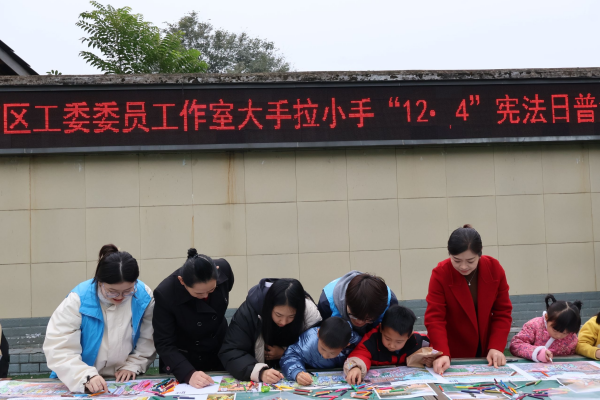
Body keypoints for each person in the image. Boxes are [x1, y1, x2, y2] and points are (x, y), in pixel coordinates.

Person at [43, 245, 155, 393]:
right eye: (112, 292)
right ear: (99, 282)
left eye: (128, 291)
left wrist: (133, 364)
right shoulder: (78, 300)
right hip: (79, 380)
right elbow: (59, 347)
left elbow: (148, 338)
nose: (120, 297)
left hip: (123, 379)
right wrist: (85, 376)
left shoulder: (143, 295)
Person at [424, 224, 512, 375]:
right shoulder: (441, 273)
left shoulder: (494, 269)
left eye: (470, 261)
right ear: (449, 254)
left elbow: (502, 312)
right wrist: (442, 352)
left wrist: (496, 346)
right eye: (456, 260)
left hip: (487, 351)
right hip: (453, 352)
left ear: (480, 254)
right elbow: (435, 318)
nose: (463, 266)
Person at [153, 249, 234, 388]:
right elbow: (164, 343)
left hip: (218, 348)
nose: (205, 296)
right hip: (185, 358)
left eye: (211, 290)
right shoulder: (165, 293)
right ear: (182, 281)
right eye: (198, 293)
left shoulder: (224, 269)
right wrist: (188, 373)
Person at [219, 278, 322, 384]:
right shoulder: (249, 312)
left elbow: (319, 352)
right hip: (257, 376)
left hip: (296, 374)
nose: (284, 322)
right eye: (278, 315)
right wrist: (260, 372)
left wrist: (285, 353)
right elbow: (231, 351)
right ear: (269, 306)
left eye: (291, 316)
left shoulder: (309, 316)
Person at [344, 305, 430, 385]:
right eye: (387, 339)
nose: (392, 345)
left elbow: (433, 350)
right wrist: (356, 367)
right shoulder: (372, 339)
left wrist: (432, 359)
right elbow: (360, 354)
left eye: (399, 342)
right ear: (381, 328)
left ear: (409, 336)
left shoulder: (419, 342)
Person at [280, 317, 361, 385]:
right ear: (318, 334)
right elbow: (290, 356)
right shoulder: (308, 343)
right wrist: (296, 372)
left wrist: (355, 367)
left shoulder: (354, 343)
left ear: (346, 345)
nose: (325, 355)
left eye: (332, 353)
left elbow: (361, 355)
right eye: (323, 349)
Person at [318, 271, 398, 335]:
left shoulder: (390, 303)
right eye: (354, 316)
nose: (359, 322)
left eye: (368, 319)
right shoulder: (327, 302)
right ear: (346, 300)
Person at [510, 295, 580, 362]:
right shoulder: (534, 326)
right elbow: (515, 345)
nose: (559, 336)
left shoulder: (571, 335)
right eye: (555, 330)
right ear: (546, 317)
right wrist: (538, 352)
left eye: (565, 333)